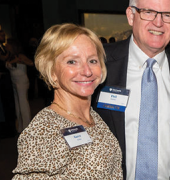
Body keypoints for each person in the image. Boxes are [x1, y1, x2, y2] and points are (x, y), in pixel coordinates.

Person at [92, 0, 170, 180]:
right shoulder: (99, 63)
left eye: (168, 15)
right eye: (149, 12)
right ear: (131, 15)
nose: (158, 22)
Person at [12, 23, 122, 178]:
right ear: (52, 71)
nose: (87, 71)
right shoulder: (44, 131)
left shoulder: (92, 116)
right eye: (72, 61)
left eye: (92, 60)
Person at [5, 38, 34, 133]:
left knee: (23, 104)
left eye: (8, 44)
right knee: (17, 105)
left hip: (22, 81)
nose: (6, 45)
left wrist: (19, 60)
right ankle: (20, 126)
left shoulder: (20, 55)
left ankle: (27, 126)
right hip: (14, 81)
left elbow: (31, 63)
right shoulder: (9, 55)